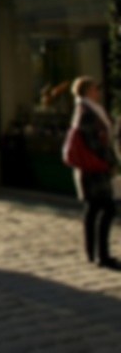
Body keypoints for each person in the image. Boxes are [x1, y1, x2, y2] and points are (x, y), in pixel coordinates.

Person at [68, 76, 119, 269]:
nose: (98, 91)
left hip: (91, 167)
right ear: (88, 91)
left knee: (93, 208)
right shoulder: (86, 111)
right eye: (95, 88)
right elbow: (94, 141)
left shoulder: (88, 109)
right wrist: (109, 162)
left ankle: (92, 252)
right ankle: (102, 255)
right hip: (94, 167)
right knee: (107, 208)